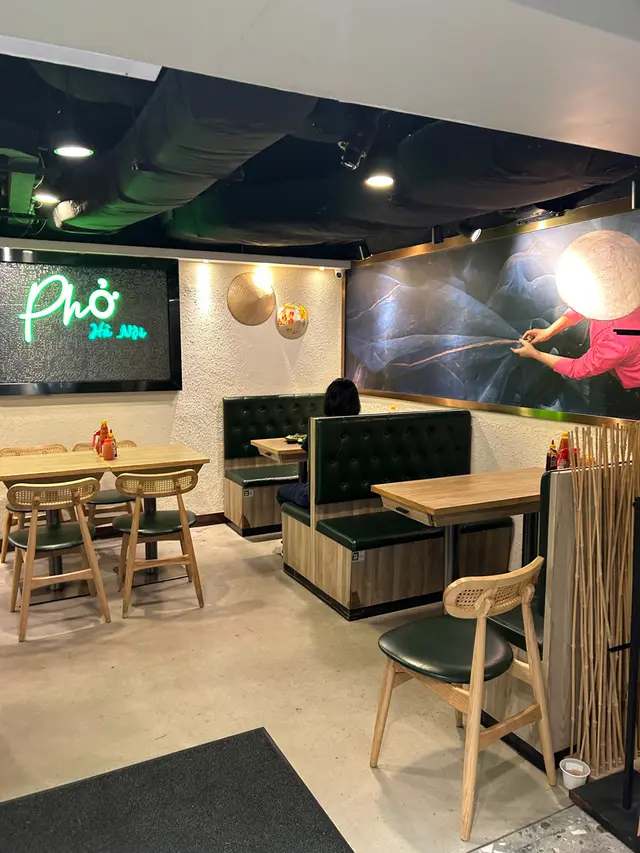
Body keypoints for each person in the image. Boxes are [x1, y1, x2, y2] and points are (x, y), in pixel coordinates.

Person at [511, 305, 640, 416]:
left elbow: (577, 369)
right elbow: (583, 306)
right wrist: (548, 331)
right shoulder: (623, 296)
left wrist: (536, 354)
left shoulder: (620, 342)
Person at [276, 378, 361, 510]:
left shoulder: (320, 427)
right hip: (358, 493)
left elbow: (306, 454)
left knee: (281, 492)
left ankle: (297, 521)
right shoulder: (364, 428)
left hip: (318, 493)